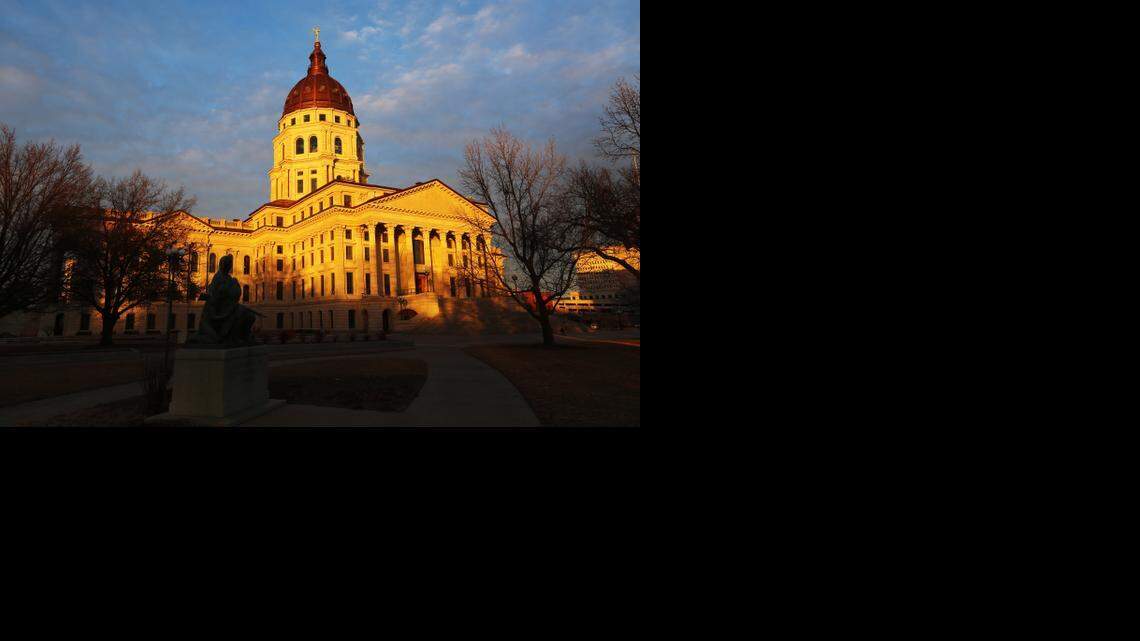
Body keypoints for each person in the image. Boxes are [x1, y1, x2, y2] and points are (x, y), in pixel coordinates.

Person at [189, 254, 258, 346]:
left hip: (229, 307)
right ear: (222, 265)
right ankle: (234, 337)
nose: (228, 267)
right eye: (227, 264)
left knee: (250, 316)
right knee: (240, 314)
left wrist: (235, 289)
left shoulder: (230, 279)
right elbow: (214, 294)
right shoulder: (218, 278)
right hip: (220, 309)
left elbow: (234, 295)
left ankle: (242, 337)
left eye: (229, 264)